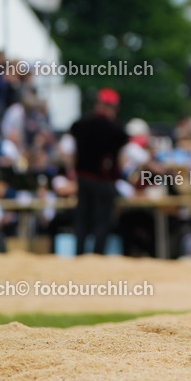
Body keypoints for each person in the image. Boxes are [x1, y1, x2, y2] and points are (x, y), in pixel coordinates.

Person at [68, 88, 128, 256]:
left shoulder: (81, 124)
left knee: (82, 219)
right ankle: (97, 254)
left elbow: (73, 153)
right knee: (102, 221)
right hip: (104, 179)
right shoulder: (115, 129)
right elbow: (118, 159)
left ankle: (79, 254)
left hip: (83, 178)